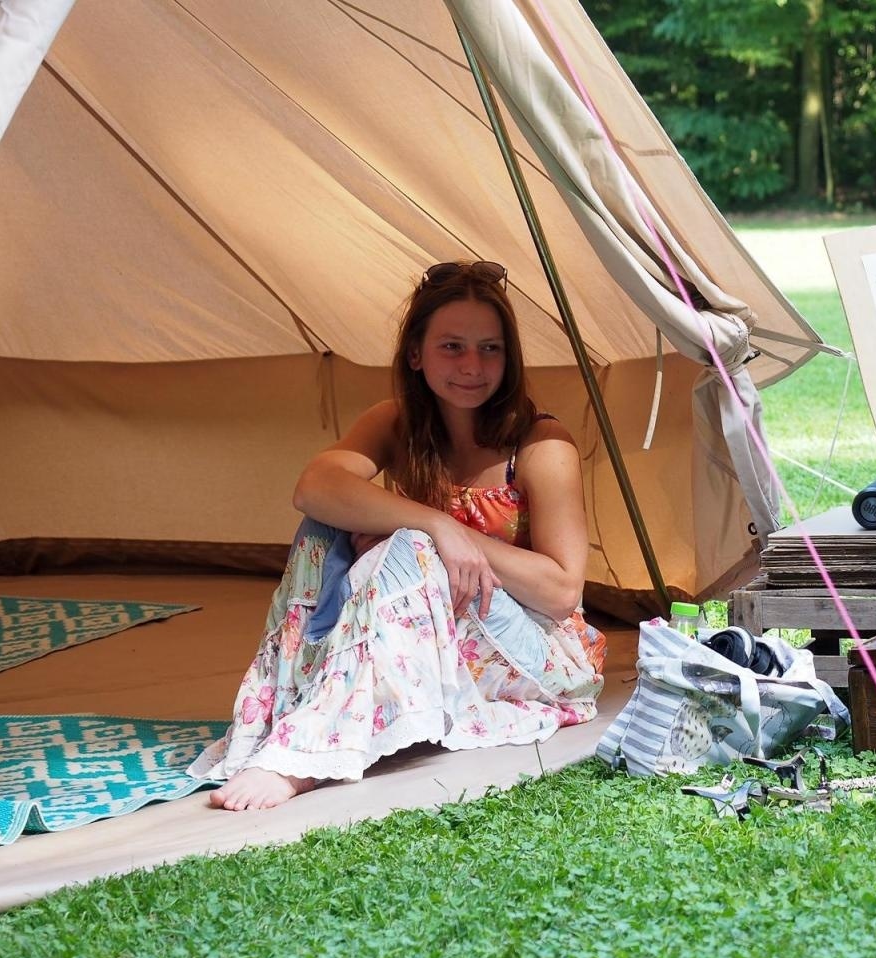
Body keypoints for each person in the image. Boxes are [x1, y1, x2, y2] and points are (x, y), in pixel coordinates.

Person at [190, 260, 607, 810]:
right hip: (444, 634)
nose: (473, 366)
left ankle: (310, 758)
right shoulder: (397, 425)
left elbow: (561, 593)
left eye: (490, 348)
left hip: (539, 654)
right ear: (416, 354)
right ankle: (286, 709)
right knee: (325, 530)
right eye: (451, 347)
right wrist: (435, 522)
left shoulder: (539, 444)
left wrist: (444, 539)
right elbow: (313, 487)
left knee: (409, 547)